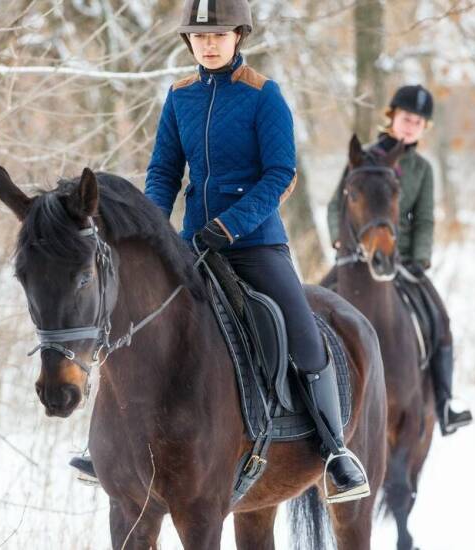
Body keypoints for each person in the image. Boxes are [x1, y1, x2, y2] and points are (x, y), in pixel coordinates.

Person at [70, 0, 370, 502]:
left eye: (219, 36)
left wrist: (229, 225)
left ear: (239, 37)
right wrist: (151, 230)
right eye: (201, 38)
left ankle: (336, 449)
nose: (209, 45)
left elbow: (281, 174)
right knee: (131, 319)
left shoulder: (263, 96)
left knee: (300, 330)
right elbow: (164, 172)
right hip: (189, 244)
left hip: (255, 244)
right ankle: (103, 445)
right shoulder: (179, 96)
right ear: (190, 42)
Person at [325, 84, 473, 436]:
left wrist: (419, 258)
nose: (411, 127)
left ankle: (444, 403)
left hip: (402, 260)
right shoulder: (363, 157)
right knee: (313, 301)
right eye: (407, 118)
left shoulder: (422, 170)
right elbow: (337, 206)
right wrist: (339, 240)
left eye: (419, 123)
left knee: (440, 317)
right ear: (391, 116)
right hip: (357, 257)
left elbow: (423, 218)